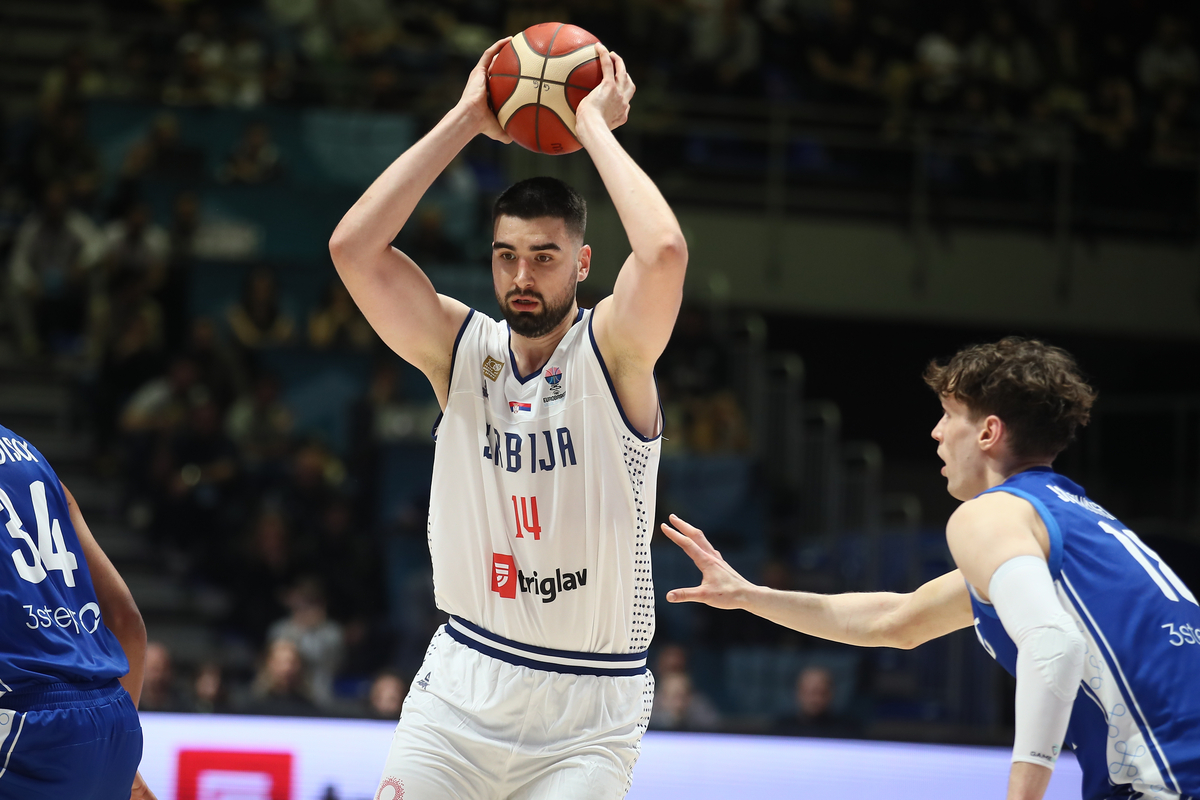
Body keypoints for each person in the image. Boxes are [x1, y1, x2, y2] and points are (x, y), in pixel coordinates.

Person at [329, 36, 687, 800]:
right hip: (462, 686)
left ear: (584, 263)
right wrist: (465, 116)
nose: (521, 277)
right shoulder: (460, 349)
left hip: (589, 711)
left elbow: (662, 254)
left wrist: (591, 122)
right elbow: (354, 249)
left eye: (546, 257)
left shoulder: (615, 350)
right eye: (506, 256)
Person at [663, 337, 1200, 800]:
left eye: (948, 415)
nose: (936, 434)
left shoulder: (991, 513)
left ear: (988, 432)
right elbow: (895, 620)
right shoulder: (1070, 521)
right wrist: (749, 595)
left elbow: (1053, 645)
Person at [0, 423, 157, 799]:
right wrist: (115, 756)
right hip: (114, 719)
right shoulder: (33, 458)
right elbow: (127, 620)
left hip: (29, 728)